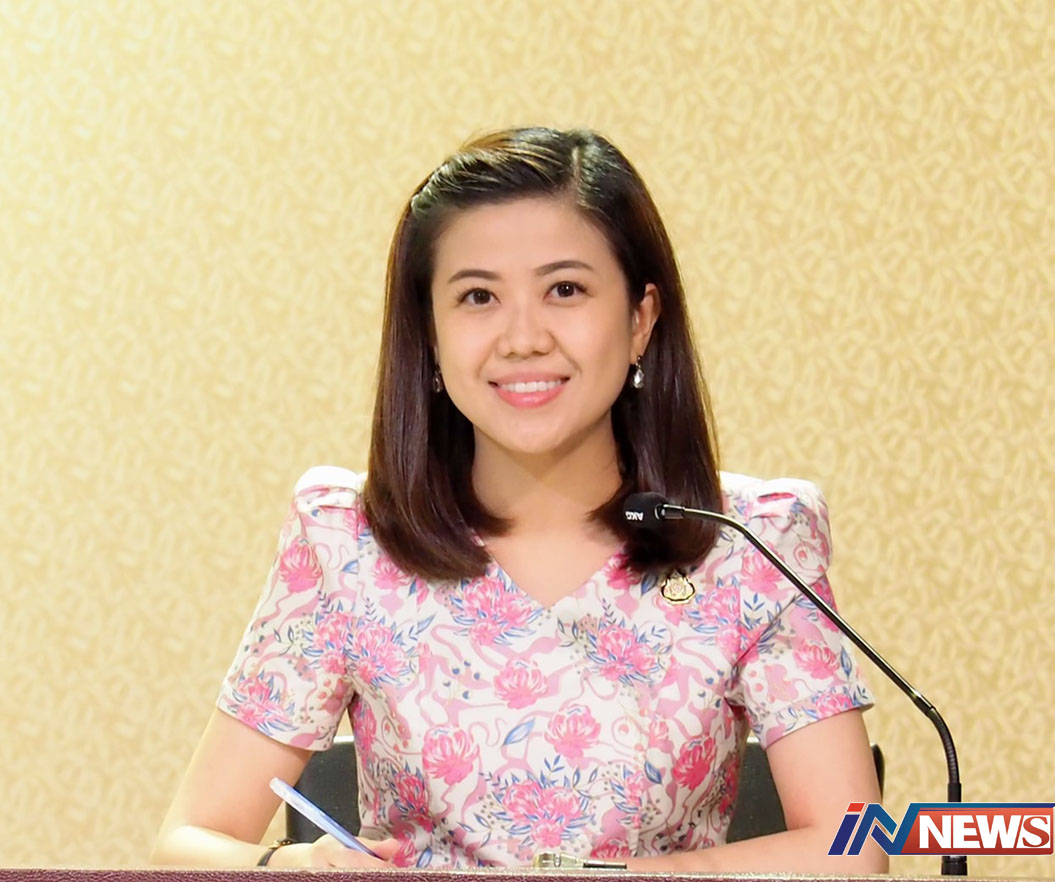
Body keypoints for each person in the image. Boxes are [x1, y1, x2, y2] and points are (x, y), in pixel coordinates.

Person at [151, 127, 886, 873]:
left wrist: (617, 881)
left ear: (640, 319)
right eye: (478, 297)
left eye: (565, 290)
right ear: (429, 336)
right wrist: (289, 867)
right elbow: (186, 843)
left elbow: (852, 847)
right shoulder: (347, 542)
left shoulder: (750, 541)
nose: (523, 338)